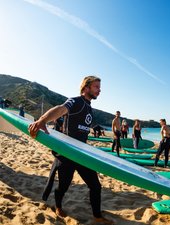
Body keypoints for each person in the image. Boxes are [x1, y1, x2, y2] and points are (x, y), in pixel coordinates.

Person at [28, 76, 113, 224]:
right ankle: (58, 206)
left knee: (95, 185)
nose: (99, 90)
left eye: (99, 87)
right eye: (96, 87)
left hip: (81, 154)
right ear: (86, 88)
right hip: (67, 153)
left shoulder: (88, 106)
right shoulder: (76, 101)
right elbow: (61, 109)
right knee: (63, 186)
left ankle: (97, 217)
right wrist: (42, 120)